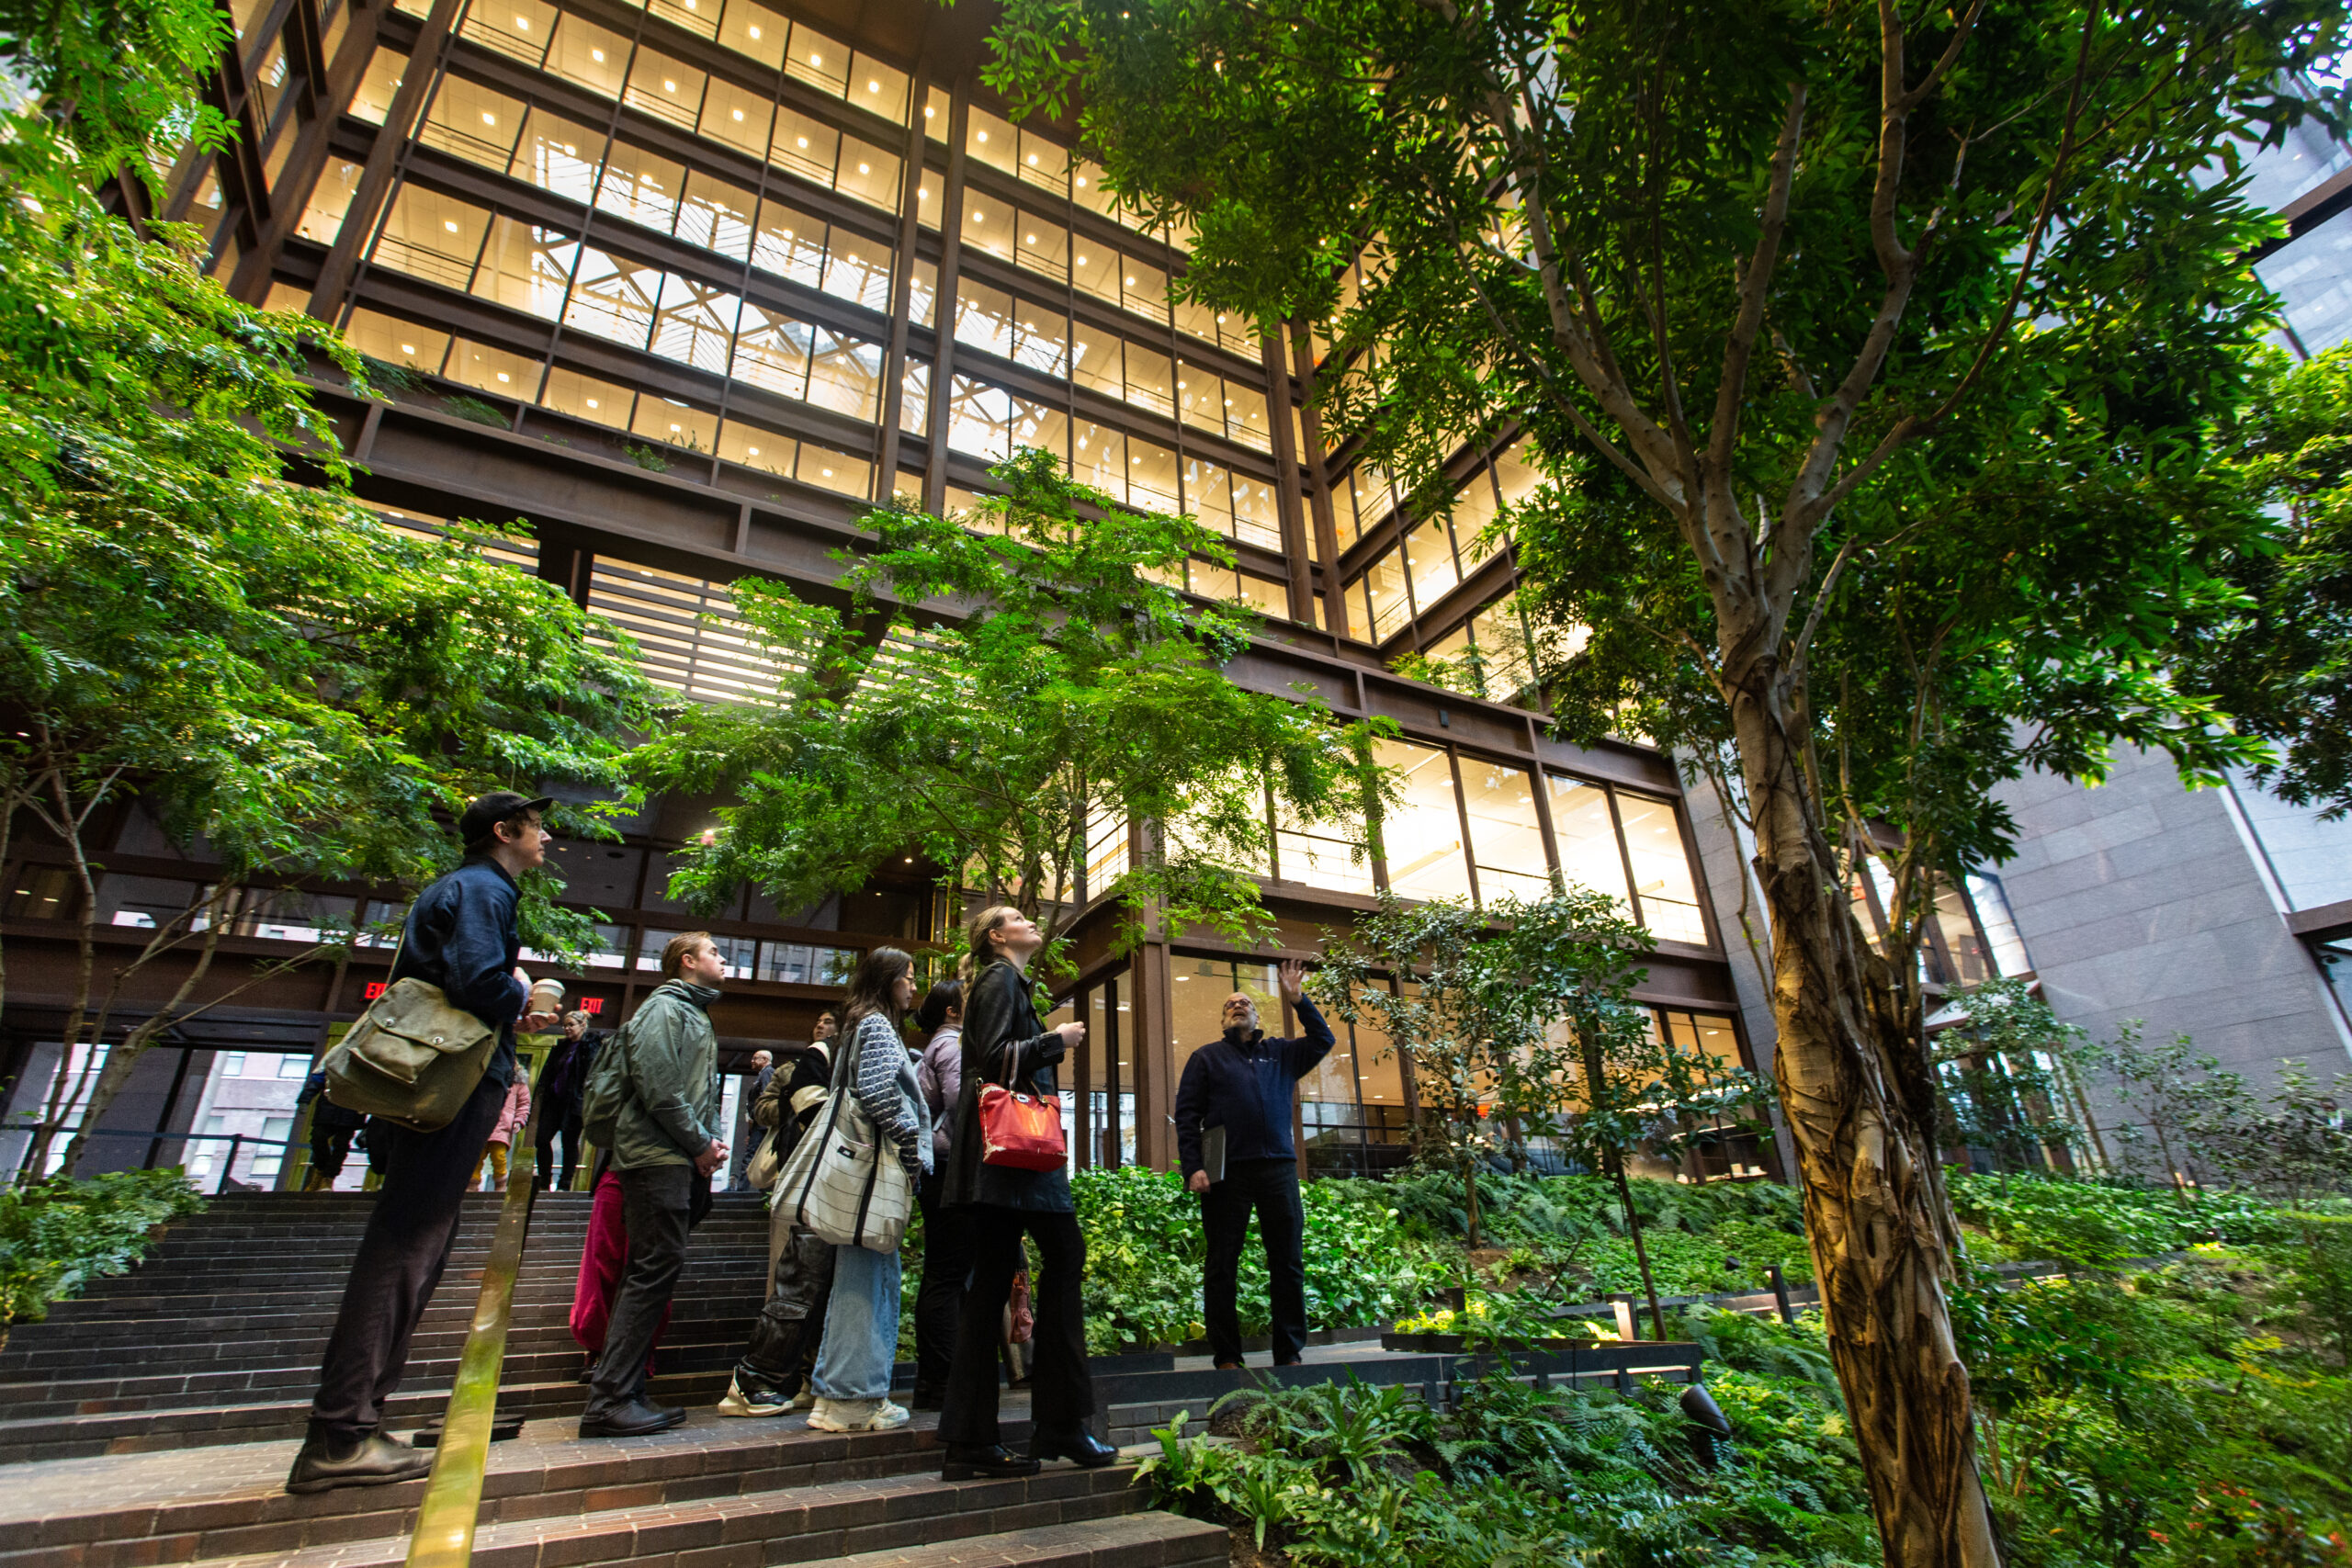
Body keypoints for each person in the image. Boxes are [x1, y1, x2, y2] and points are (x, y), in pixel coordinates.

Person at [286, 790, 561, 1495]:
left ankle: (355, 1423)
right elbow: (476, 978)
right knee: (409, 1243)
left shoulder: (463, 885)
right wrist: (520, 1001)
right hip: (452, 1085)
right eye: (537, 829)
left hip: (442, 1080)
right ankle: (342, 1431)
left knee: (419, 1242)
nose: (548, 839)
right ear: (505, 832)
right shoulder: (484, 889)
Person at [936, 907, 1113, 1481]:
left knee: (989, 1286)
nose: (1029, 921)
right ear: (996, 937)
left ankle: (973, 1439)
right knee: (1061, 1257)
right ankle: (1057, 1424)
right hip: (1012, 1163)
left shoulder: (1007, 981)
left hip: (1003, 1164)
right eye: (1016, 918)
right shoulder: (999, 978)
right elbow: (990, 1061)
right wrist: (1052, 1040)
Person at [578, 931, 729, 1438]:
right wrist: (700, 1144)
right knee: (650, 1271)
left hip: (671, 1158)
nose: (723, 960)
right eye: (713, 953)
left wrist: (704, 1147)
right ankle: (611, 1399)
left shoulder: (693, 1012)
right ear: (687, 962)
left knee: (652, 1271)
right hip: (655, 1158)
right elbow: (660, 1089)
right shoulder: (666, 1009)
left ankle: (624, 1392)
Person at [1174, 959, 1333, 1371]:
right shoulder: (1205, 1058)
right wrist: (1193, 1166)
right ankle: (1227, 1355)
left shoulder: (1281, 1053)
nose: (1238, 1004)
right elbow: (1188, 1116)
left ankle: (1289, 1352)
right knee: (1222, 1263)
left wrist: (1298, 999)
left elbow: (1323, 1039)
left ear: (1257, 1015)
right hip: (1226, 1172)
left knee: (1287, 1261)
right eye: (1231, 1003)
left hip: (1278, 1169)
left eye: (1244, 1001)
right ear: (1223, 1019)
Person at [803, 947, 927, 1432]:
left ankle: (836, 1397)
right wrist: (911, 1146)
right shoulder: (876, 1025)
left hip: (857, 1170)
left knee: (860, 1275)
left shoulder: (858, 1023)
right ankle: (853, 1399)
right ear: (886, 980)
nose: (913, 986)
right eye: (908, 977)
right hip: (873, 1171)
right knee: (870, 1278)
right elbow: (876, 1093)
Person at [717, 1011, 841, 1416]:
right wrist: (798, 1098)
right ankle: (763, 1377)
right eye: (819, 1021)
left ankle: (805, 1375)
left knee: (816, 1284)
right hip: (796, 1172)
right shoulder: (794, 1068)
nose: (824, 1026)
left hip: (829, 1180)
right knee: (789, 1278)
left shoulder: (843, 1061)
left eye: (830, 1021)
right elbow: (763, 1112)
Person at [910, 978, 970, 1410]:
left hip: (937, 1168)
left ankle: (934, 1381)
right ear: (952, 1011)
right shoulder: (950, 1046)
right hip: (949, 1168)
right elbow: (960, 1102)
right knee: (948, 1275)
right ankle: (946, 1380)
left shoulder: (936, 1044)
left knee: (942, 1273)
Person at [535, 1011, 601, 1192]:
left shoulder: (590, 1047)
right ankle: (544, 1180)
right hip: (554, 1101)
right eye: (565, 1025)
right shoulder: (561, 1047)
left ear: (582, 1025)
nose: (566, 1028)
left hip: (574, 1103)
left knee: (569, 1142)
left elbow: (591, 1076)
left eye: (571, 1024)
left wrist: (585, 1100)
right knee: (541, 1139)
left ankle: (565, 1184)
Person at [297, 1067, 366, 1191]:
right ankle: (322, 1170)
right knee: (318, 1138)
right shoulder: (337, 1058)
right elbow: (318, 1079)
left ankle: (328, 1177)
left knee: (341, 1145)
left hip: (351, 1110)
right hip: (329, 1107)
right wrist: (305, 1100)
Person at [480, 1075, 531, 1190]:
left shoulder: (519, 1084)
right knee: (477, 1156)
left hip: (502, 1125)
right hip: (483, 1121)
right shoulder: (492, 1076)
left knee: (498, 1154)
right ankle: (472, 1184)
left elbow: (524, 1104)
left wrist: (519, 1120)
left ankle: (501, 1182)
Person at [732, 1048, 774, 1187]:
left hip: (762, 1124)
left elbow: (765, 1095)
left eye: (756, 1058)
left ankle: (742, 1190)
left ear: (765, 1060)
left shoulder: (767, 1072)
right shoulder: (763, 1074)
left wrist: (758, 1116)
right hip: (760, 1124)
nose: (752, 1061)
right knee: (756, 1156)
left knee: (751, 1156)